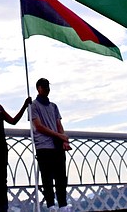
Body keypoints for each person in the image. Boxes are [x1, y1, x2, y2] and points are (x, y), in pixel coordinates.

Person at [0, 83, 31, 212]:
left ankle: (3, 208)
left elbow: (13, 121)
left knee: (2, 180)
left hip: (1, 147)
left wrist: (25, 106)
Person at [30, 78, 71, 212]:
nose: (47, 89)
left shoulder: (53, 106)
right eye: (44, 87)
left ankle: (63, 205)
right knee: (47, 178)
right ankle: (51, 205)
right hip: (43, 145)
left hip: (56, 145)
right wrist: (59, 136)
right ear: (38, 88)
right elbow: (38, 126)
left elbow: (59, 125)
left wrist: (64, 140)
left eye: (48, 87)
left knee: (61, 178)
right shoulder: (33, 105)